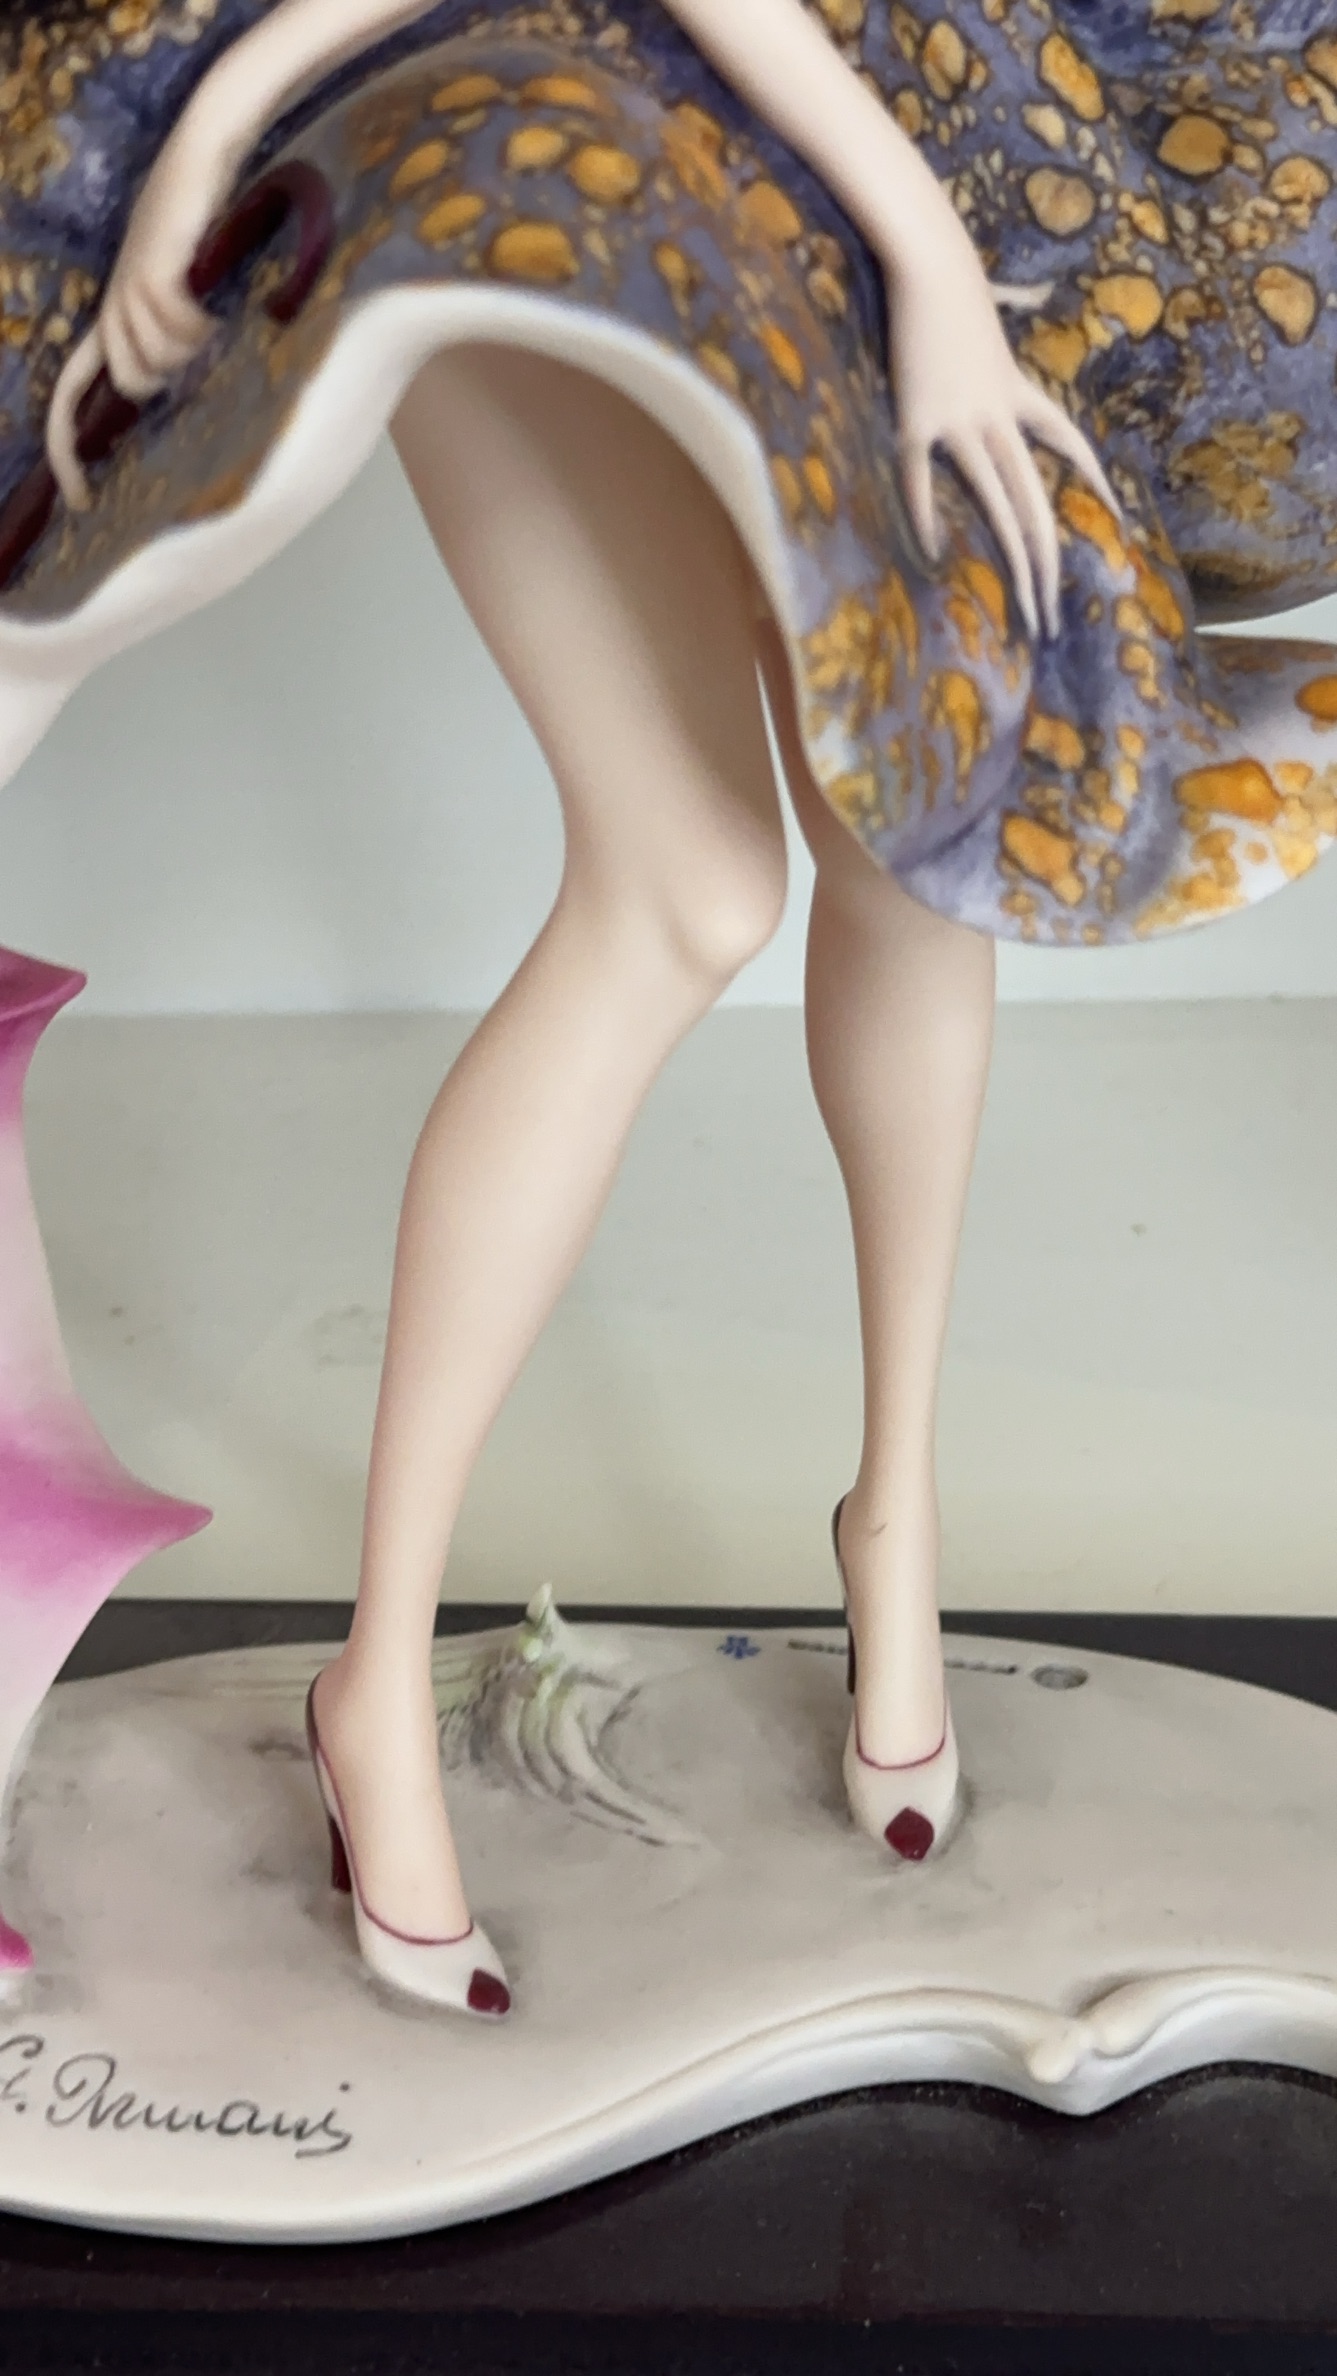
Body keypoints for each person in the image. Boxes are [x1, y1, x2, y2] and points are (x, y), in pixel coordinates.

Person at [2, 0, 1330, 2014]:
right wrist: (236, 110)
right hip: (526, 123)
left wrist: (929, 242)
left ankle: (896, 1527)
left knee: (912, 824)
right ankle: (377, 1674)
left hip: (822, 122)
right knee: (684, 883)